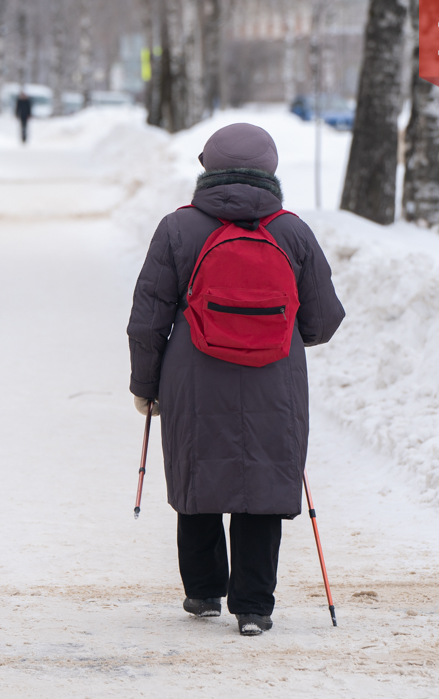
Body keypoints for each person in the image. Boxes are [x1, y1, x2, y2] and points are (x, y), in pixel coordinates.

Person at [126, 123, 345, 637]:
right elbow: (324, 318)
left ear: (208, 169)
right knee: (264, 481)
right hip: (275, 376)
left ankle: (203, 592)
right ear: (270, 170)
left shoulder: (178, 229)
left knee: (199, 472)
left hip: (192, 377)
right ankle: (253, 607)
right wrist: (288, 336)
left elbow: (148, 317)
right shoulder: (291, 231)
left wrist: (146, 384)